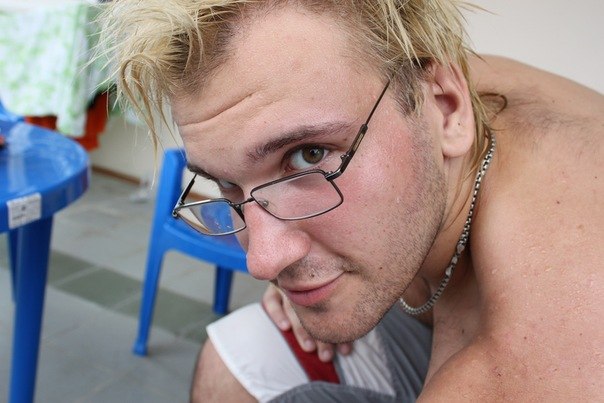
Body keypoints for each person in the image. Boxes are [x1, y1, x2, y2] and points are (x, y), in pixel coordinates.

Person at [99, 0, 603, 401]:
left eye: (309, 155)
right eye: (228, 184)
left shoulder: (554, 333)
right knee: (230, 359)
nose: (262, 261)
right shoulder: (415, 81)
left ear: (447, 110)